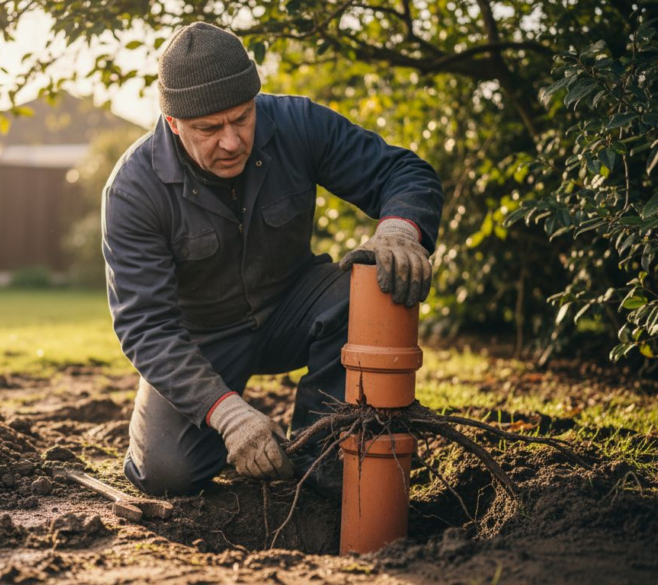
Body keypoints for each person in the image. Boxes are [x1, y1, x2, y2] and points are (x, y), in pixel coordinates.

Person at [102, 22, 443, 496]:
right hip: (204, 340)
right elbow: (146, 327)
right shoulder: (133, 190)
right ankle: (212, 427)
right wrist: (228, 412)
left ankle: (318, 455)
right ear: (174, 123)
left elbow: (402, 171)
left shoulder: (297, 123)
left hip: (294, 307)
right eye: (209, 129)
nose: (232, 141)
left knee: (370, 283)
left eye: (242, 118)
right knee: (166, 475)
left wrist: (400, 231)